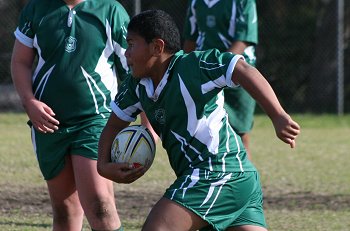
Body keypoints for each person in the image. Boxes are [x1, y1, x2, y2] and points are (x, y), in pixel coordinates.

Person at [97, 10, 300, 231]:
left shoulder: (194, 66)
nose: (126, 53)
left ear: (157, 47)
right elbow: (114, 126)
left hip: (216, 173)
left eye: (132, 44)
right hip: (233, 178)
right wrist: (103, 166)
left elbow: (241, 69)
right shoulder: (136, 85)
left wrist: (278, 115)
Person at [10, 0, 145, 230]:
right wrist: (29, 102)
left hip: (96, 120)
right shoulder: (36, 9)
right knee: (65, 212)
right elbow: (20, 61)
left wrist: (146, 122)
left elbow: (135, 70)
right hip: (49, 125)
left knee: (100, 205)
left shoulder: (110, 10)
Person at [183, 0, 258, 160]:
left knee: (240, 133)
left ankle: (244, 180)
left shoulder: (244, 2)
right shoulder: (196, 2)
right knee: (202, 131)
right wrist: (183, 68)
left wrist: (224, 67)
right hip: (203, 73)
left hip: (239, 73)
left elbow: (243, 39)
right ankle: (208, 177)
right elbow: (191, 39)